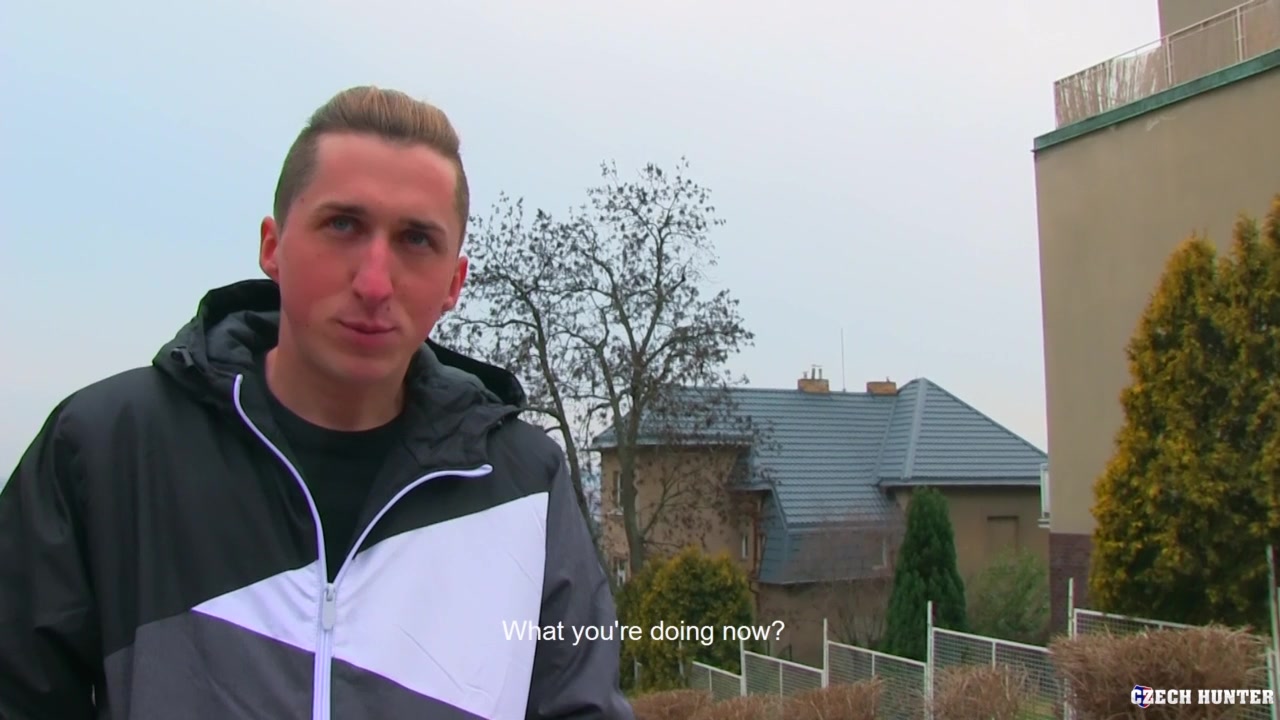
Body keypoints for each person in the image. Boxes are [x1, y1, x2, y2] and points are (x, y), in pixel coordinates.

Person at [0, 86, 635, 720]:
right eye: (343, 225)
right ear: (272, 246)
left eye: (416, 239)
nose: (374, 283)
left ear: (454, 282)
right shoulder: (108, 450)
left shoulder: (526, 485)